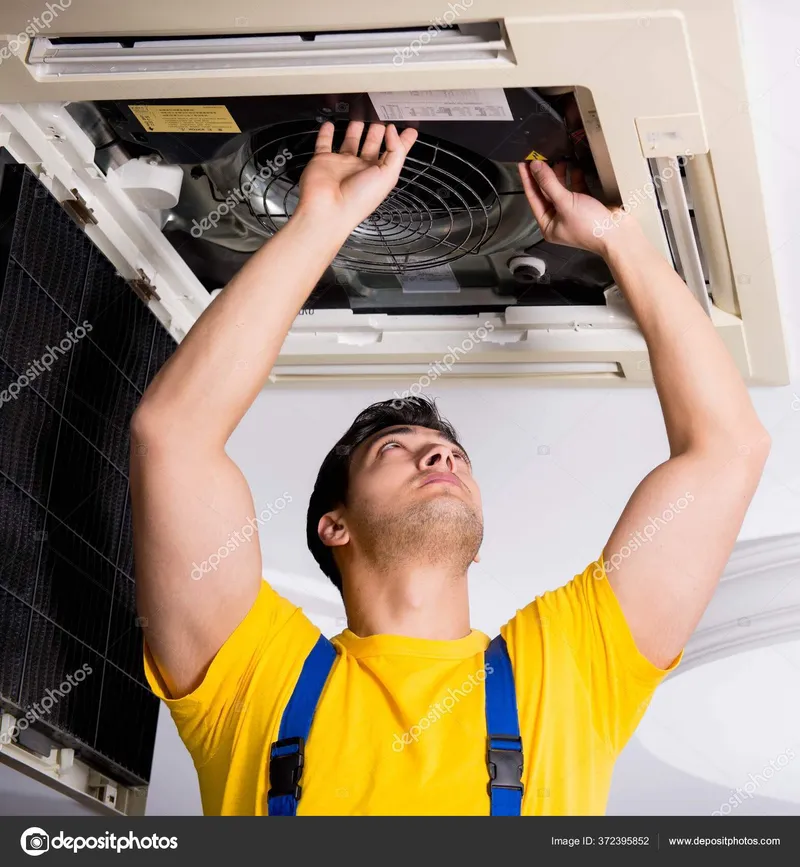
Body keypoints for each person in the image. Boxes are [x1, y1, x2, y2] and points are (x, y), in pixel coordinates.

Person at [130, 121, 770, 816]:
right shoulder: (255, 676)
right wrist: (322, 221)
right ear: (333, 525)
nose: (441, 454)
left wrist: (622, 239)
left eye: (451, 455)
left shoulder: (570, 663)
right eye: (395, 449)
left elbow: (728, 448)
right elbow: (173, 437)